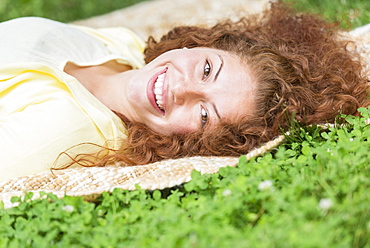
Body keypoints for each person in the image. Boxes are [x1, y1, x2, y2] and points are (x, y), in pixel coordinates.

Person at [0, 2, 369, 181]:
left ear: (193, 146)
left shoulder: (65, 132)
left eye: (205, 114)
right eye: (208, 69)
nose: (182, 88)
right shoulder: (124, 49)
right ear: (199, 44)